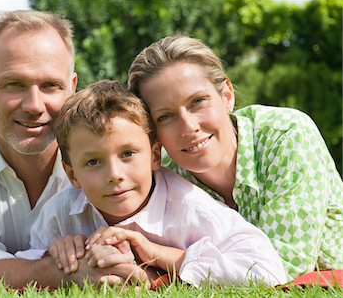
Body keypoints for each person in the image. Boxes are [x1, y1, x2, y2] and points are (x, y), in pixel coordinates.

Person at [0, 10, 145, 291]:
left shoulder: (107, 141)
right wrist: (68, 273)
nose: (34, 105)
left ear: (72, 88)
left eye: (50, 85)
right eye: (14, 84)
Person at [16, 79, 287, 287]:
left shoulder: (192, 209)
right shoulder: (61, 214)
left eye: (128, 154)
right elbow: (25, 265)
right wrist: (57, 257)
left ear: (155, 156)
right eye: (93, 162)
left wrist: (158, 255)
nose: (114, 174)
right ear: (72, 174)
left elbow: (268, 271)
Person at [127, 35, 343, 280]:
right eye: (165, 116)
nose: (188, 127)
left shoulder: (286, 135)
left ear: (227, 96)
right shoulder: (165, 175)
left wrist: (173, 261)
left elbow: (282, 266)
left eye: (198, 102)